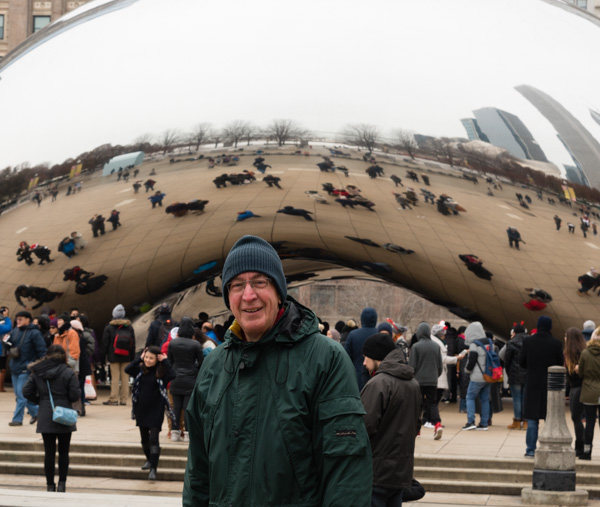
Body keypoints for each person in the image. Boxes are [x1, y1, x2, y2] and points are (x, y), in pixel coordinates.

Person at [183, 235, 372, 506]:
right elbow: (197, 473)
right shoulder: (214, 366)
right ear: (228, 297)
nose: (249, 295)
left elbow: (347, 475)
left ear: (279, 291)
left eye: (260, 282)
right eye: (237, 285)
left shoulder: (325, 359)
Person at [361, 333, 421, 507]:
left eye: (366, 357)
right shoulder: (413, 384)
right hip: (401, 470)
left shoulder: (378, 384)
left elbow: (364, 426)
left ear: (376, 357)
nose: (364, 362)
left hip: (377, 471)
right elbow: (416, 424)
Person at [23, 345, 80, 492]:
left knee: (49, 452)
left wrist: (40, 401)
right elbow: (75, 396)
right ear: (63, 356)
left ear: (47, 355)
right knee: (64, 451)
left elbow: (26, 391)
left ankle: (49, 485)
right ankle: (62, 484)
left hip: (46, 413)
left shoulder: (38, 372)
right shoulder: (68, 372)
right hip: (65, 413)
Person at [125, 346, 176, 480]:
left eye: (151, 358)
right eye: (146, 357)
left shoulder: (162, 373)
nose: (148, 360)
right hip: (142, 409)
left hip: (156, 410)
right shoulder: (141, 370)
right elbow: (127, 369)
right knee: (144, 439)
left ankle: (153, 468)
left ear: (157, 359)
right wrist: (139, 359)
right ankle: (149, 459)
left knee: (154, 438)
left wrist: (165, 361)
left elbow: (173, 374)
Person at [519, 316, 564, 457]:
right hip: (550, 386)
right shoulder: (556, 343)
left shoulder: (528, 341)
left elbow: (521, 362)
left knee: (532, 419)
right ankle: (550, 448)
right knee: (549, 419)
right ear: (550, 327)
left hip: (532, 384)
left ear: (538, 326)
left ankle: (530, 450)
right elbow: (559, 363)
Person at [7, 311, 46, 426]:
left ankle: (17, 419)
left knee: (21, 394)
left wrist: (38, 366)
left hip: (27, 368)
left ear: (28, 320)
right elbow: (10, 346)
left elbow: (42, 350)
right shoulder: (14, 331)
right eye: (17, 319)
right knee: (20, 394)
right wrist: (6, 342)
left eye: (20, 319)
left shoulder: (34, 333)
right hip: (15, 368)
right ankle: (37, 412)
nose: (18, 321)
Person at [167, 317, 203, 442]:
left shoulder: (173, 343)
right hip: (190, 379)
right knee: (188, 408)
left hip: (175, 378)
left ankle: (175, 432)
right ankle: (188, 433)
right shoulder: (196, 344)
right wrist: (194, 369)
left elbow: (169, 361)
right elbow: (201, 362)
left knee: (176, 407)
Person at [409, 322, 443, 438]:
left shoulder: (416, 347)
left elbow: (412, 366)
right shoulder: (436, 346)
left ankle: (417, 430)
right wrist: (434, 376)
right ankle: (437, 424)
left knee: (417, 405)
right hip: (432, 380)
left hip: (418, 381)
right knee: (432, 403)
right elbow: (440, 366)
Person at [101, 304, 136, 406]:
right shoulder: (129, 327)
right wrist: (132, 357)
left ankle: (114, 398)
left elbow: (105, 344)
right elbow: (133, 344)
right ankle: (124, 399)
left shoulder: (109, 327)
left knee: (115, 378)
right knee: (125, 378)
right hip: (126, 356)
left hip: (114, 356)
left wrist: (103, 357)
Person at [462, 321, 492, 431]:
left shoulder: (474, 344)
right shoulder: (489, 342)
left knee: (470, 397)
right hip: (488, 375)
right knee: (484, 399)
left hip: (477, 377)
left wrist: (466, 370)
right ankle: (484, 423)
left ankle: (471, 422)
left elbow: (472, 360)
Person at [564, 327, 587, 457]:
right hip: (574, 388)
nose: (565, 338)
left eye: (566, 336)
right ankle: (581, 445)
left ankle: (581, 446)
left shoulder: (581, 353)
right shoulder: (569, 353)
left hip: (579, 388)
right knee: (575, 418)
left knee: (576, 417)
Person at [578, 327, 600, 460]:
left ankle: (587, 452)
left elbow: (581, 372)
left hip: (588, 392)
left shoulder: (585, 353)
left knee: (590, 423)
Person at [345, 307, 379, 390]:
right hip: (376, 377)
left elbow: (346, 357)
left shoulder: (353, 335)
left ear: (362, 319)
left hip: (356, 377)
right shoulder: (379, 334)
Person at [0, 306, 12, 392]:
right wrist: (7, 317)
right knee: (2, 369)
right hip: (2, 349)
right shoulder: (6, 321)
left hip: (3, 348)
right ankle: (0, 387)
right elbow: (8, 329)